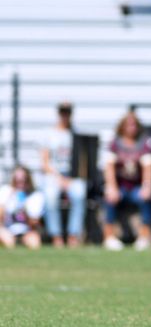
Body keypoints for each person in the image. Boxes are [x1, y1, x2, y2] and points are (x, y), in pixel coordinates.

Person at [102, 111, 151, 251]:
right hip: (120, 187)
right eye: (128, 124)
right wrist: (111, 187)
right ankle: (109, 236)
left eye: (134, 124)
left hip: (136, 187)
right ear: (122, 126)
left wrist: (147, 186)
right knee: (109, 198)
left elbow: (148, 167)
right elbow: (109, 167)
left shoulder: (144, 143)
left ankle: (144, 236)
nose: (131, 127)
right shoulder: (115, 143)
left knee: (145, 198)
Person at [41, 102, 87, 248]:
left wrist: (70, 178)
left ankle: (73, 235)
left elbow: (82, 160)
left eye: (67, 112)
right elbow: (45, 162)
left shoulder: (76, 133)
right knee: (50, 196)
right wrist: (59, 178)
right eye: (63, 112)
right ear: (58, 114)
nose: (65, 115)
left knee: (79, 193)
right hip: (53, 175)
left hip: (72, 176)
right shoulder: (49, 134)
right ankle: (56, 236)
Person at [0, 165, 45, 249]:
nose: (20, 183)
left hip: (27, 231)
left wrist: (24, 207)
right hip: (7, 230)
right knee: (8, 241)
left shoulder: (35, 196)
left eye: (23, 180)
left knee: (35, 244)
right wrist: (8, 199)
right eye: (17, 180)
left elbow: (34, 223)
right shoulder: (5, 191)